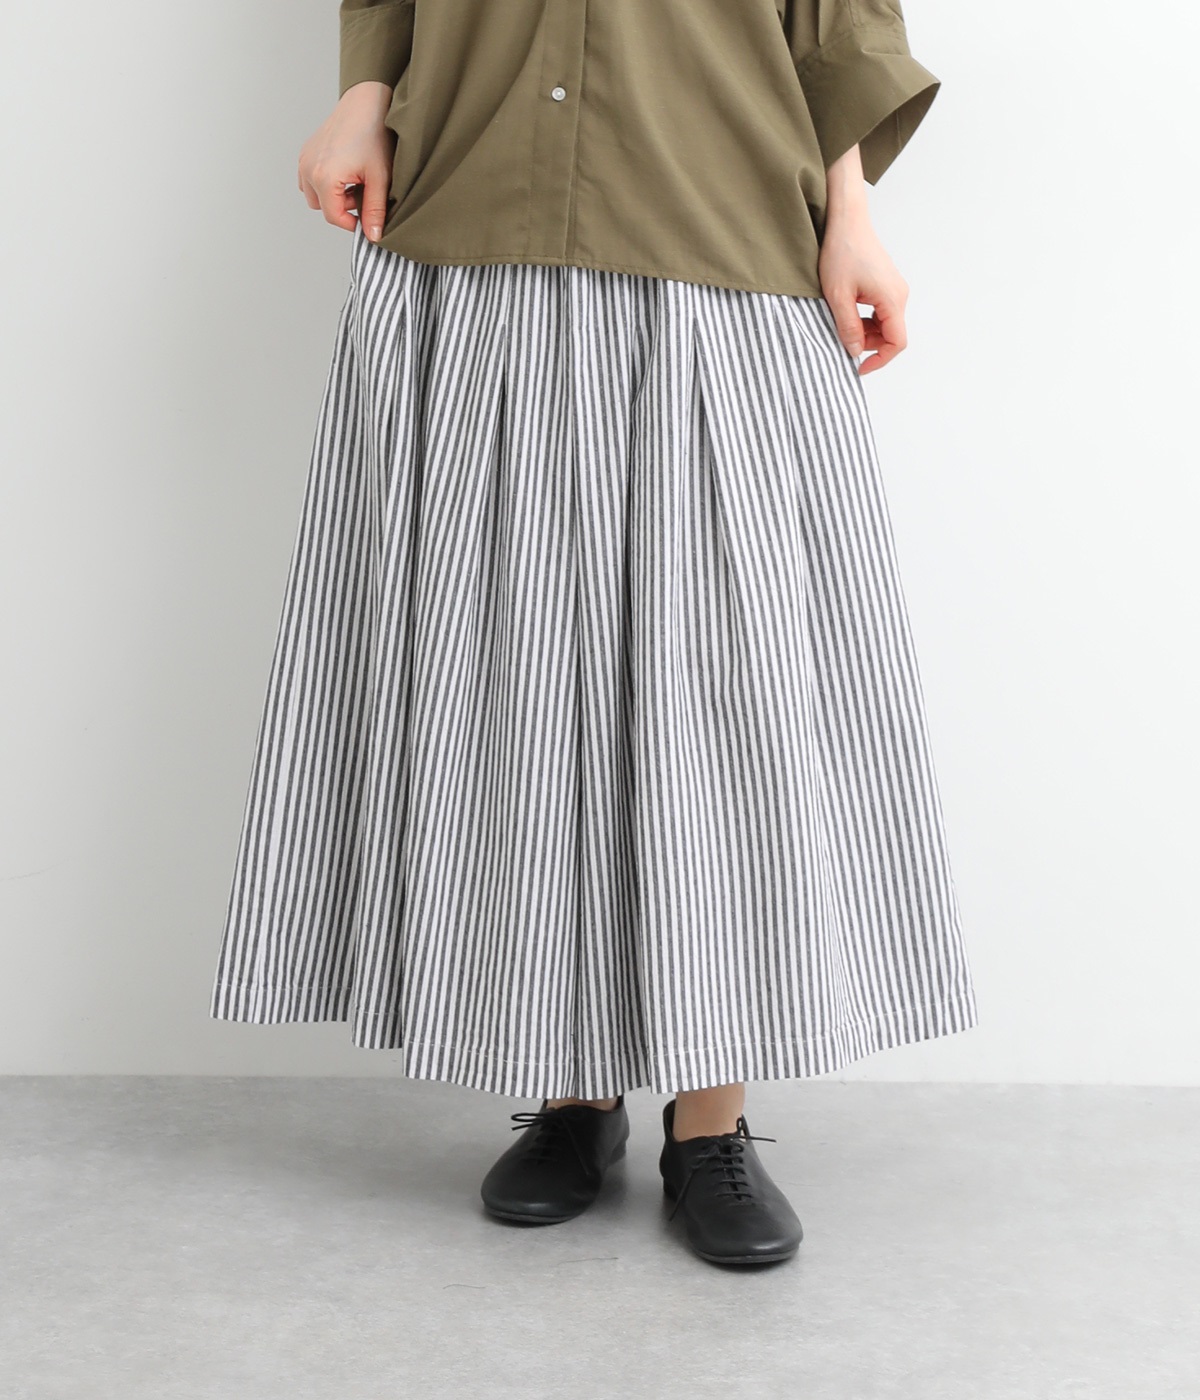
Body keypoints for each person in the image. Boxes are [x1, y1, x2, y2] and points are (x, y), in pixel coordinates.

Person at [209, 0, 979, 1269]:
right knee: (520, 685)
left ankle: (711, 1118)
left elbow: (834, 13)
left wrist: (850, 210)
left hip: (716, 238)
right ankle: (573, 1093)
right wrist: (365, 88)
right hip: (478, 219)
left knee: (718, 697)